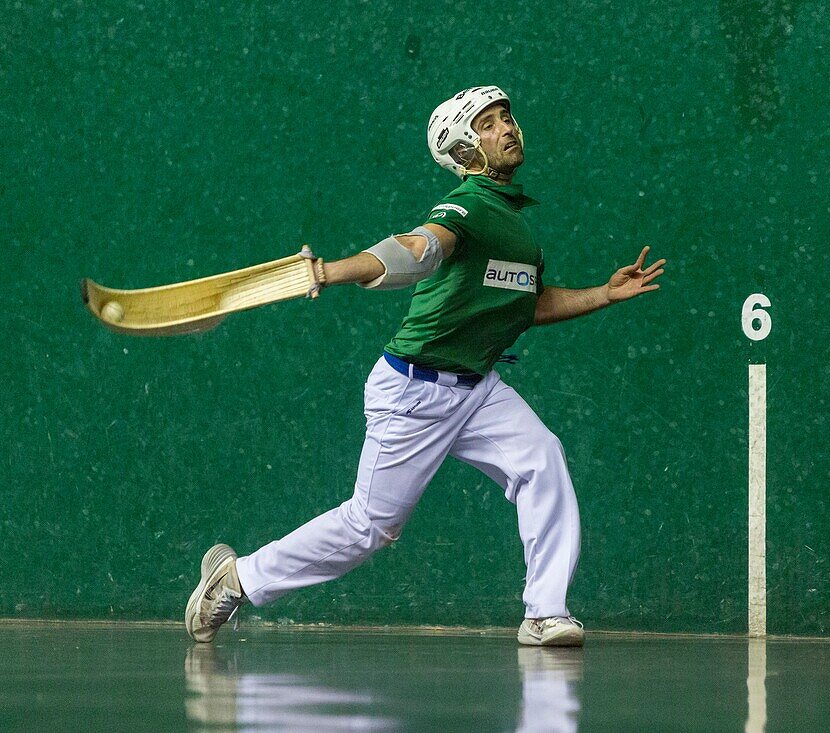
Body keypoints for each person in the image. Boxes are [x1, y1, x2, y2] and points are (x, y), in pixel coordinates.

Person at [185, 85, 666, 647]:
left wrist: (601, 295)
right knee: (372, 526)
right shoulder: (467, 207)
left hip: (478, 388)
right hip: (415, 388)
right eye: (488, 124)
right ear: (464, 151)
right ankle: (239, 578)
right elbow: (420, 249)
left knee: (542, 459)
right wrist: (329, 272)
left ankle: (544, 612)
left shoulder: (516, 225)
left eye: (507, 117)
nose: (508, 128)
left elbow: (526, 303)